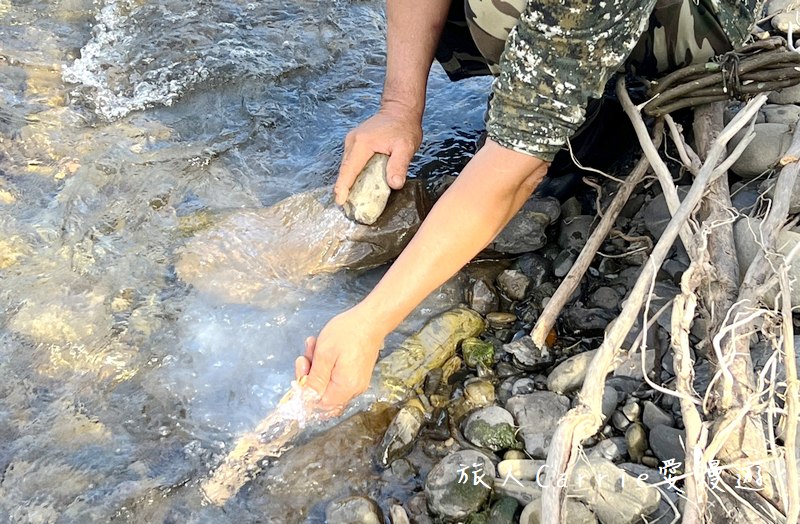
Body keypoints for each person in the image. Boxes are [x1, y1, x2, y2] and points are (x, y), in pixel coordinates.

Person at [294, 0, 763, 409]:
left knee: (499, 19)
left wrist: (370, 323)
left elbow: (512, 173)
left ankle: (586, 96)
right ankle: (558, 81)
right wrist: (399, 107)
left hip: (701, 16)